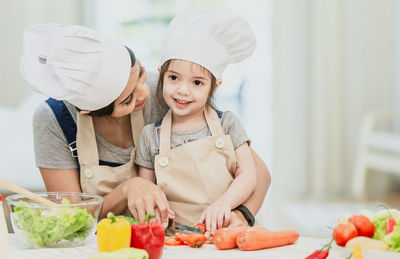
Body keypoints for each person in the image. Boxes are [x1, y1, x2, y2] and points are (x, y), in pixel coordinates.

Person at [20, 22, 270, 229]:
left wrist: (242, 215)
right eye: (128, 99)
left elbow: (257, 173)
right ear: (89, 111)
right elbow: (74, 219)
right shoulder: (53, 121)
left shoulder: (170, 93)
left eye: (140, 73)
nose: (145, 92)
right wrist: (128, 189)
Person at [135, 10, 263, 233]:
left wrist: (224, 204)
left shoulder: (227, 124)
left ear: (215, 86)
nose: (183, 90)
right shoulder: (150, 135)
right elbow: (146, 189)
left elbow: (250, 176)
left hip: (227, 232)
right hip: (176, 239)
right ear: (161, 75)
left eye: (197, 83)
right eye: (173, 78)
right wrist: (155, 213)